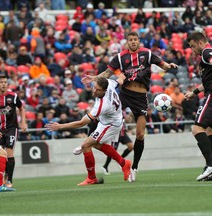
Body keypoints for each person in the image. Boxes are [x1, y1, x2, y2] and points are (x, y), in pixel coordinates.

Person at [82, 32, 178, 182]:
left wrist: (169, 66)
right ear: (127, 42)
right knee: (104, 111)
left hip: (141, 98)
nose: (133, 42)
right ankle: (91, 137)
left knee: (140, 134)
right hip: (125, 95)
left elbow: (162, 64)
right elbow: (108, 73)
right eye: (130, 40)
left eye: (135, 39)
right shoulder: (121, 57)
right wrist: (94, 78)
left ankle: (134, 168)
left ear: (139, 41)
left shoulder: (147, 53)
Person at [45, 76, 132, 186]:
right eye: (94, 87)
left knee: (86, 145)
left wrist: (60, 126)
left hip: (111, 124)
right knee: (95, 144)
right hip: (108, 121)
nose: (94, 91)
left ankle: (92, 178)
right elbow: (119, 80)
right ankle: (124, 163)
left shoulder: (102, 105)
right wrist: (94, 78)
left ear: (104, 90)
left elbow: (81, 123)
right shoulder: (109, 83)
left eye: (98, 90)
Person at [0, 74, 27, 188]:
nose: (3, 84)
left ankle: (9, 180)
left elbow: (21, 108)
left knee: (9, 153)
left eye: (5, 82)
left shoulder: (13, 96)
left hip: (11, 128)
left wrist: (23, 122)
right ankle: (2, 178)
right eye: (1, 82)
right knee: (1, 155)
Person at [184, 31, 212, 181]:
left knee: (196, 129)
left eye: (193, 47)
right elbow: (207, 81)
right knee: (208, 130)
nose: (193, 50)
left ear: (200, 43)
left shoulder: (207, 52)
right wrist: (194, 92)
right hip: (208, 91)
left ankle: (210, 165)